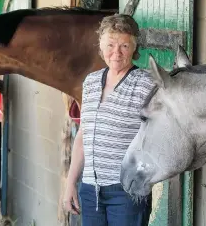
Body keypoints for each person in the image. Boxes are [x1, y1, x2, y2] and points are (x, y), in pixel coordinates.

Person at [63, 14, 155, 226]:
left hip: (126, 192)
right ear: (101, 45)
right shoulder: (92, 81)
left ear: (134, 47)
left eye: (124, 45)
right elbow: (83, 136)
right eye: (110, 44)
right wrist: (71, 184)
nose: (116, 52)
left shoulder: (145, 84)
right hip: (90, 191)